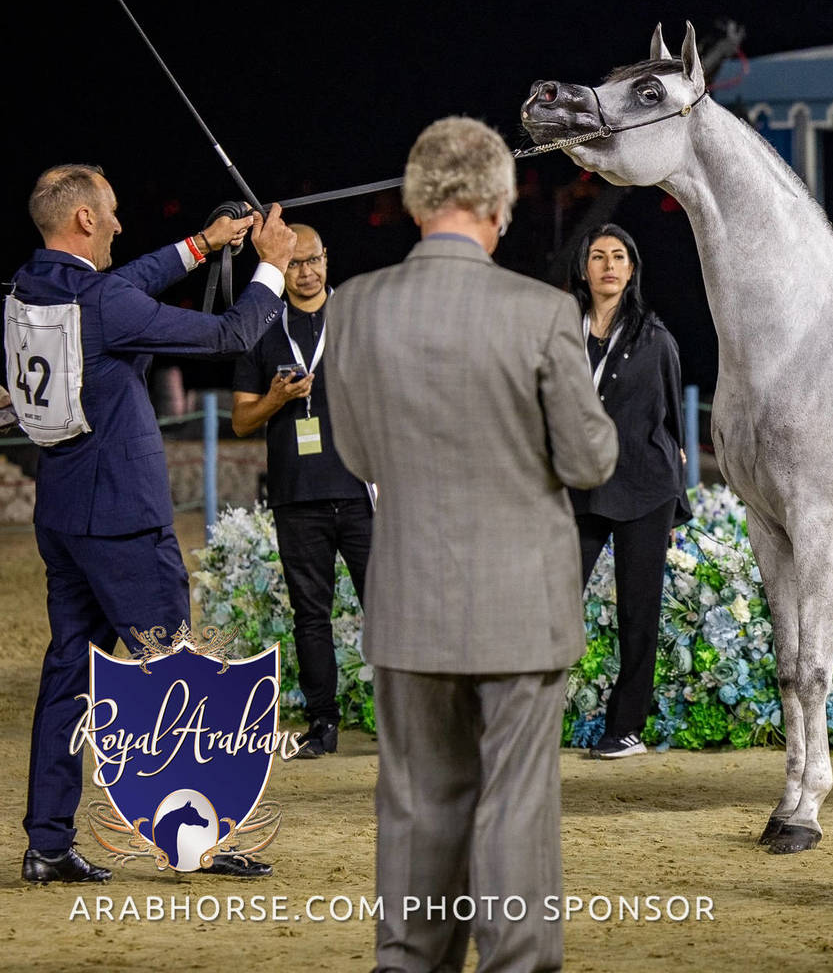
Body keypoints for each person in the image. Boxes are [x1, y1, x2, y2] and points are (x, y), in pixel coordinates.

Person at [323, 117, 617, 972]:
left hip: (409, 598)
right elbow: (590, 457)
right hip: (521, 604)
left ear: (417, 202)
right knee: (515, 806)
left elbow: (359, 455)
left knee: (418, 804)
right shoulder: (540, 313)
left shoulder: (355, 307)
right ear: (500, 204)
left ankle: (408, 960)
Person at [6, 164, 295, 884]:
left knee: (69, 677)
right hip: (123, 522)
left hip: (64, 514)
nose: (119, 225)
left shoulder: (31, 284)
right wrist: (272, 268)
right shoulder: (102, 302)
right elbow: (232, 334)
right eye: (110, 215)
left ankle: (47, 843)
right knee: (178, 675)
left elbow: (120, 285)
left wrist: (203, 243)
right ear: (83, 223)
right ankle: (196, 835)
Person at [231, 223, 371, 758]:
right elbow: (243, 420)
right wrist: (274, 398)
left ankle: (410, 722)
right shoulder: (263, 326)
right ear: (281, 266)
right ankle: (322, 724)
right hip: (297, 496)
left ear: (327, 259)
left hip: (363, 492)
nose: (307, 271)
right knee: (310, 616)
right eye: (295, 263)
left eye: (314, 260)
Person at [568, 222, 690, 759]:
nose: (609, 265)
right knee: (551, 602)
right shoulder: (561, 332)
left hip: (644, 487)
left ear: (632, 268)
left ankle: (627, 729)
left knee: (638, 612)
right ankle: (527, 718)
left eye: (619, 256)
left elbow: (669, 422)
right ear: (585, 267)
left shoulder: (655, 338)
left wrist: (679, 472)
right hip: (578, 486)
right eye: (599, 256)